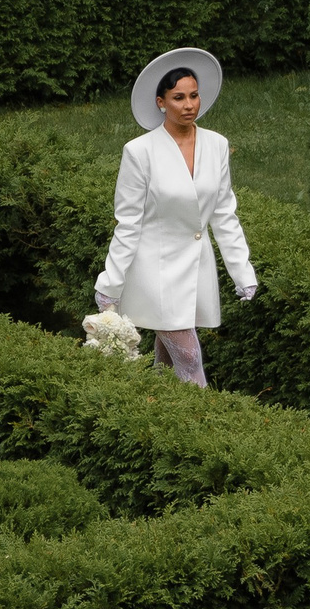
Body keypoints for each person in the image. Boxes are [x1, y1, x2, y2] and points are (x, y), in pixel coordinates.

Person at [94, 46, 257, 388]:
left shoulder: (216, 145)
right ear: (161, 102)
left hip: (195, 271)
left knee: (166, 363)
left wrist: (242, 272)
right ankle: (205, 427)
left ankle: (156, 412)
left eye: (194, 96)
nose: (189, 105)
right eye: (179, 97)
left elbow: (224, 213)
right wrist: (109, 285)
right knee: (189, 357)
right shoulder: (139, 152)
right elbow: (128, 222)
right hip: (156, 273)